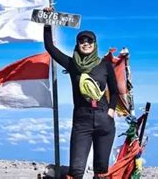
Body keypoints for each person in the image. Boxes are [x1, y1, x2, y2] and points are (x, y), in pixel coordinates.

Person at [43, 18, 119, 179]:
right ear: (77, 44)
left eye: (89, 40)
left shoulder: (105, 66)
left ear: (95, 44)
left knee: (101, 170)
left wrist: (111, 111)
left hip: (104, 120)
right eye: (81, 41)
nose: (86, 43)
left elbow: (115, 91)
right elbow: (50, 48)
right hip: (81, 121)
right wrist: (47, 22)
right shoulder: (72, 65)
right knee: (76, 171)